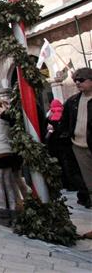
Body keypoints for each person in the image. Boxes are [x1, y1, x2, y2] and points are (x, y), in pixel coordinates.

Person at [60, 68, 92, 209]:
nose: (78, 83)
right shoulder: (72, 101)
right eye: (76, 81)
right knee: (89, 184)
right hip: (79, 146)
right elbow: (65, 123)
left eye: (82, 80)